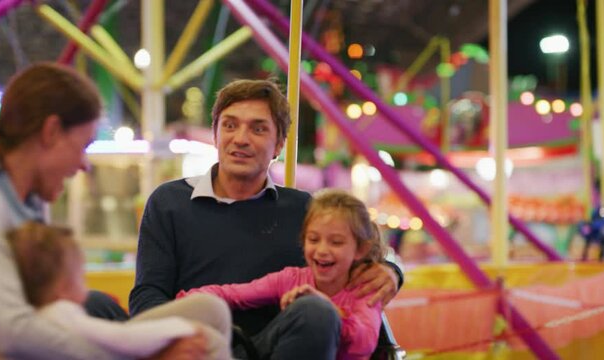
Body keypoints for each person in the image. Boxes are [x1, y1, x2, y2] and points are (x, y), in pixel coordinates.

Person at [0, 62, 224, 360]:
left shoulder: (30, 203)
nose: (84, 164)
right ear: (51, 131)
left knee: (207, 311)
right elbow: (14, 335)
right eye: (82, 145)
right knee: (205, 341)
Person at [130, 79, 403, 359]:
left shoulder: (303, 210)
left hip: (276, 347)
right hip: (201, 347)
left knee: (315, 311)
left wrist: (392, 272)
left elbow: (357, 259)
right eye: (230, 125)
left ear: (279, 145)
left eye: (258, 129)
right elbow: (148, 294)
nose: (241, 139)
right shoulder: (169, 202)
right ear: (215, 135)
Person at [177, 189, 386, 360]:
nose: (322, 250)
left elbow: (364, 343)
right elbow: (235, 294)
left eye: (336, 242)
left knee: (316, 311)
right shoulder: (292, 279)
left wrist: (329, 310)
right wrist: (186, 301)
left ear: (359, 250)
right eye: (313, 240)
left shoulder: (364, 288)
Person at [7, 221, 232, 359]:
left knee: (209, 308)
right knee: (209, 340)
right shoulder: (61, 314)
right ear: (62, 287)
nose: (85, 286)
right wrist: (180, 329)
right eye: (80, 277)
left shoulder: (44, 316)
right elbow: (124, 338)